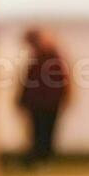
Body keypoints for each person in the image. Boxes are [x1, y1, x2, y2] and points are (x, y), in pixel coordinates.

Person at [19, 30, 68, 167]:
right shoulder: (41, 60)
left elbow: (58, 83)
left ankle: (44, 158)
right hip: (40, 104)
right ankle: (40, 157)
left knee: (45, 131)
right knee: (39, 132)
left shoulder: (50, 60)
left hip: (47, 103)